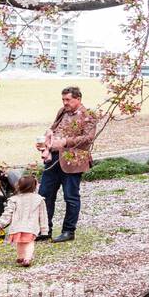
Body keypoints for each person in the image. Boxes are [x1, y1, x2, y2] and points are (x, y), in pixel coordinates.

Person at [37, 86, 98, 244]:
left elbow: (88, 138)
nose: (65, 103)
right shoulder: (62, 111)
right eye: (63, 99)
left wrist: (65, 142)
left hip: (73, 160)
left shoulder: (88, 115)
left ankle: (68, 231)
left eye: (68, 100)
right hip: (53, 159)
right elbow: (53, 128)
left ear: (78, 99)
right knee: (44, 195)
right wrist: (46, 140)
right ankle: (45, 230)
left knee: (70, 197)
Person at [0, 173, 47, 266]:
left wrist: (1, 224)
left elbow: (8, 213)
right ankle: (27, 258)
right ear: (35, 186)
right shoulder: (39, 199)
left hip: (17, 226)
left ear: (19, 186)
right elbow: (43, 216)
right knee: (29, 242)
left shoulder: (14, 199)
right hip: (31, 226)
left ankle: (20, 257)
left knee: (20, 242)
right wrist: (44, 230)